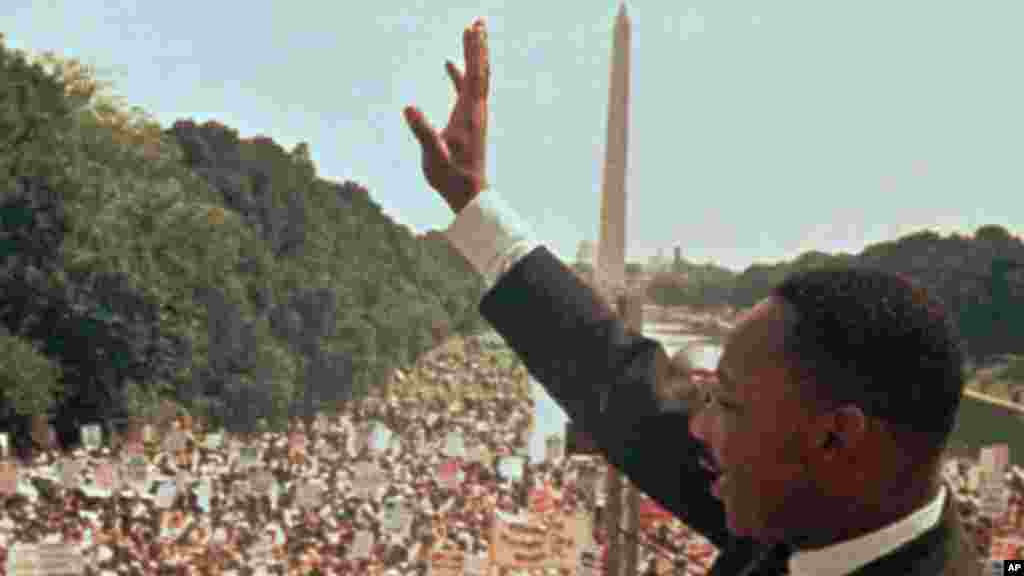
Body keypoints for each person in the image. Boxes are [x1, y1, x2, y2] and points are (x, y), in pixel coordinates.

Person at [403, 17, 983, 576]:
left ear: (835, 436)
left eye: (727, 404)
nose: (697, 429)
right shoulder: (812, 505)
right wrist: (472, 201)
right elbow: (614, 376)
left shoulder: (788, 507)